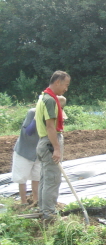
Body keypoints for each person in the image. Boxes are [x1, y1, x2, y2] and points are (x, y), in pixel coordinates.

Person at [35, 70, 71, 220]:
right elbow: (50, 126)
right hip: (49, 142)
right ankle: (49, 214)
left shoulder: (44, 97)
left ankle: (44, 209)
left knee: (45, 178)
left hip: (43, 142)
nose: (66, 89)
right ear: (57, 82)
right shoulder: (49, 100)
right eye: (65, 85)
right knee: (53, 179)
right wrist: (56, 148)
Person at [11, 108, 40, 204]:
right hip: (24, 151)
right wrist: (36, 119)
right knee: (21, 178)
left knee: (37, 177)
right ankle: (23, 201)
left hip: (38, 151)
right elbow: (28, 132)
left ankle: (36, 200)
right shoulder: (33, 112)